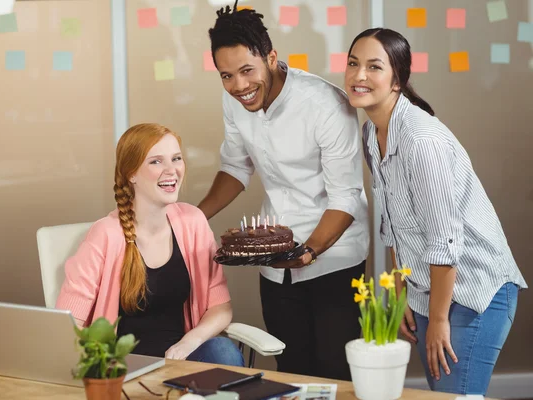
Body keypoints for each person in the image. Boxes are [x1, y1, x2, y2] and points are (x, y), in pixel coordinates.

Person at [344, 28, 528, 395]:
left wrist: (440, 318)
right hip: (431, 288)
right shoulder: (371, 134)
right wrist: (401, 292)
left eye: (374, 67)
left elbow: (444, 239)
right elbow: (394, 222)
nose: (358, 75)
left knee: (455, 396)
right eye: (353, 63)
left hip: (476, 290)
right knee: (442, 392)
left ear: (398, 79)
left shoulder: (420, 140)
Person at [198, 1, 369, 380]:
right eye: (226, 76)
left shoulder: (326, 105)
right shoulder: (235, 102)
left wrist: (307, 252)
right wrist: (191, 216)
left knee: (333, 372)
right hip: (276, 264)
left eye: (246, 71)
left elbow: (346, 197)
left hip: (335, 257)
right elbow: (236, 166)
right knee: (289, 369)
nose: (239, 86)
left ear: (271, 57)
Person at [56, 123, 244, 367]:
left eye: (176, 159)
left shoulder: (193, 222)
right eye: (156, 162)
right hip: (123, 368)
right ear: (131, 174)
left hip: (181, 360)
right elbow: (69, 323)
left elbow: (221, 308)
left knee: (223, 351)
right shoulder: (105, 234)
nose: (172, 170)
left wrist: (188, 343)